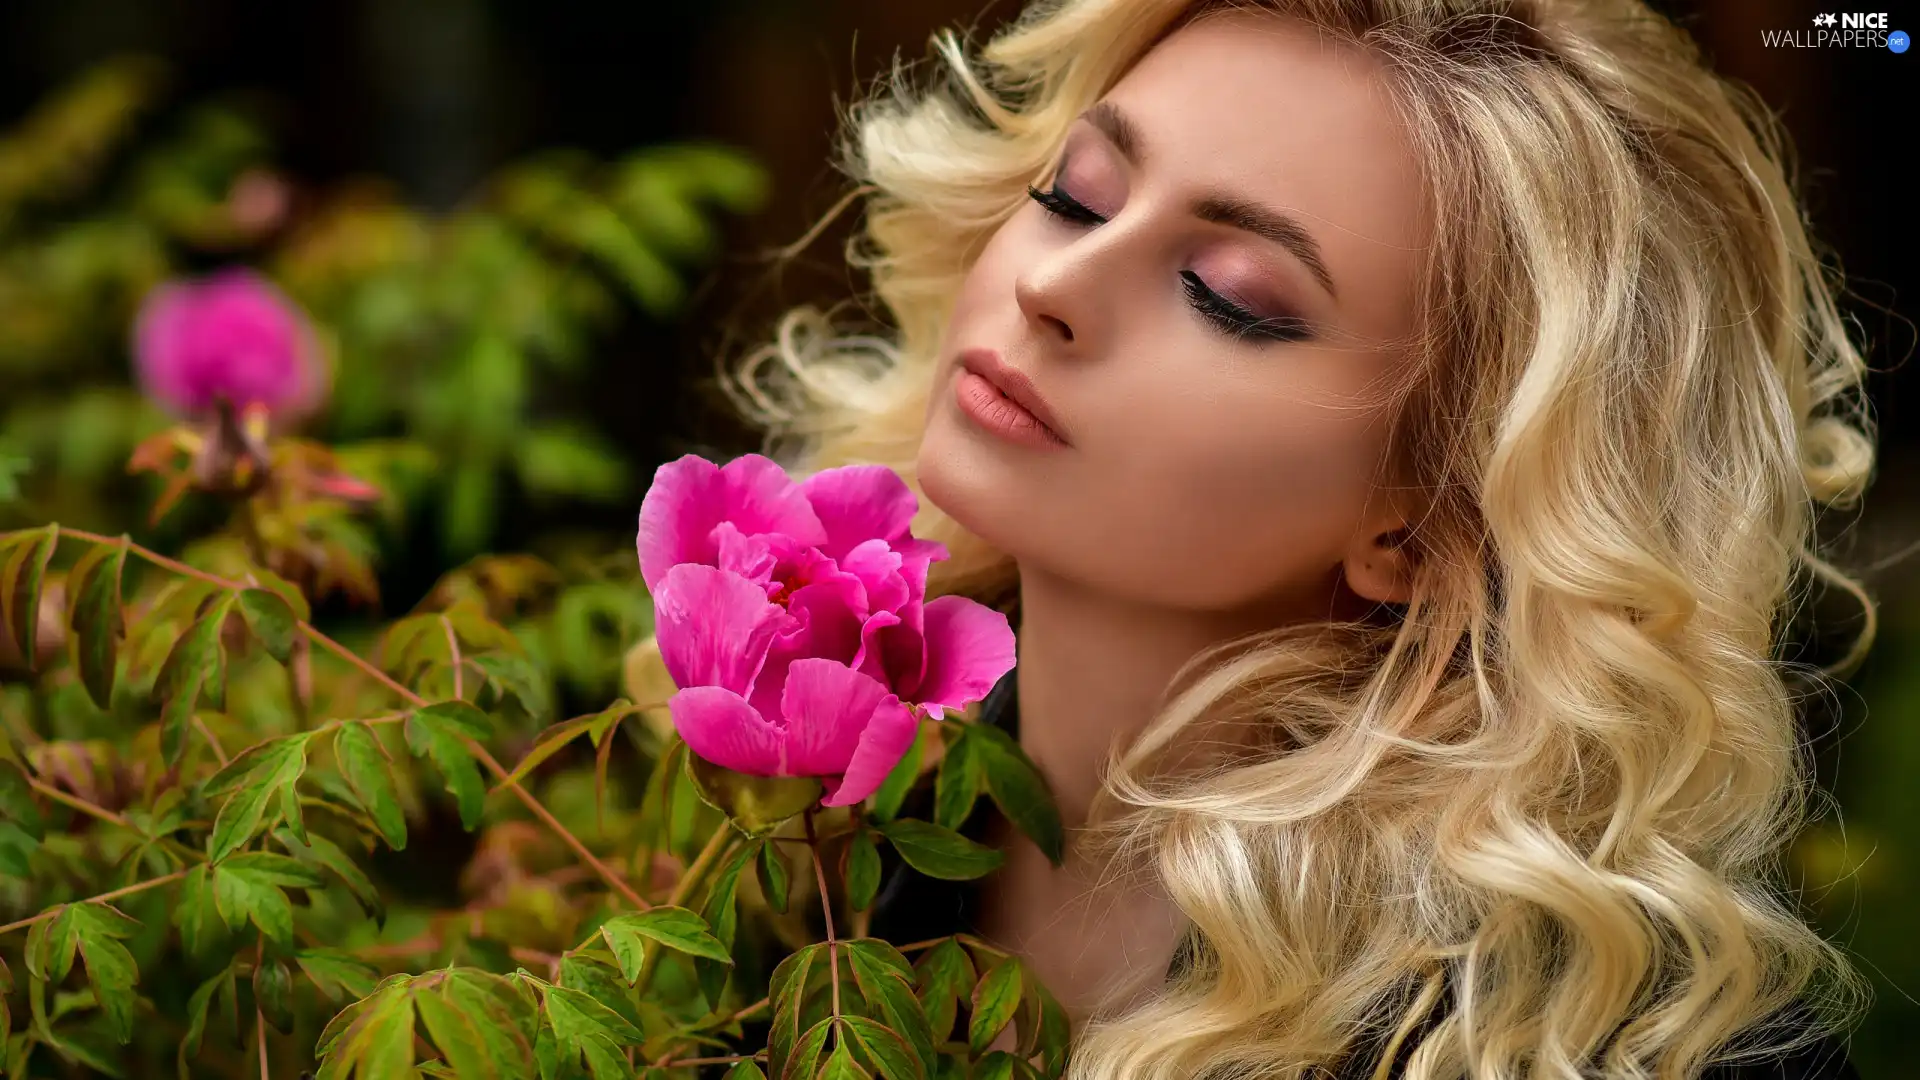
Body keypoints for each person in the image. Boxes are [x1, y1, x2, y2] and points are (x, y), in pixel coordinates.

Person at [697, 1, 1881, 1076]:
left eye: (1226, 294)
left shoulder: (1617, 1043)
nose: (1059, 283)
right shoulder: (772, 848)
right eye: (1078, 193)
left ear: (1426, 525)